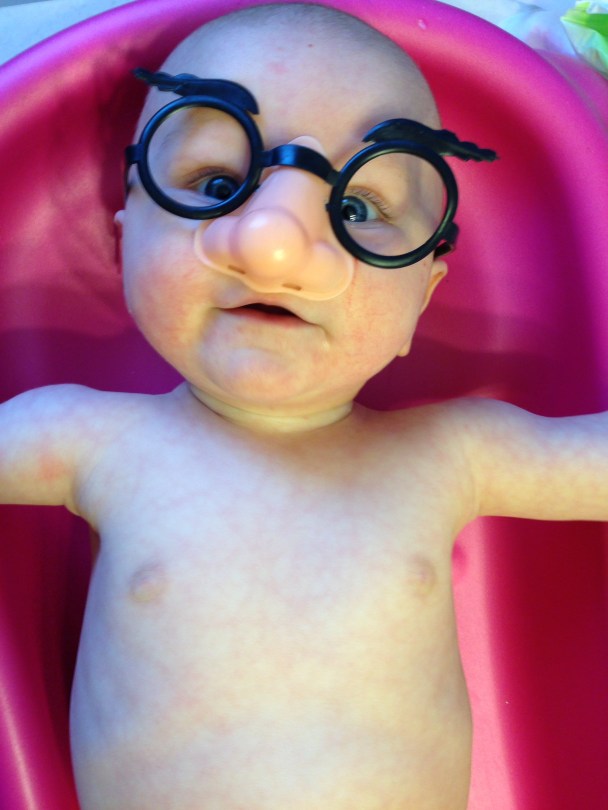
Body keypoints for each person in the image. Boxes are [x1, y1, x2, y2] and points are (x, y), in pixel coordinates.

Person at [0, 3, 606, 808]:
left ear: (422, 297)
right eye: (219, 185)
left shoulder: (452, 456)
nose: (275, 247)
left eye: (355, 209)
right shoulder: (92, 441)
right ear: (126, 239)